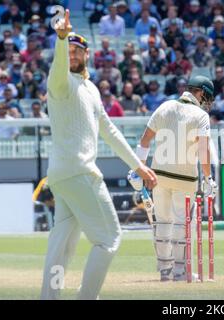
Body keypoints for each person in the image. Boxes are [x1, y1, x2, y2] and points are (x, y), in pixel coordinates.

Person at [40, 10, 157, 300]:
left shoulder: (91, 88)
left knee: (62, 244)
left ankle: (49, 297)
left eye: (77, 50)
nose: (71, 55)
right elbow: (58, 67)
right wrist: (61, 38)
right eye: (68, 51)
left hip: (63, 177)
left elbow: (110, 133)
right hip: (80, 173)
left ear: (86, 54)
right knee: (109, 239)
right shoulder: (60, 82)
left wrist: (138, 165)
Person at [137, 74, 218, 281]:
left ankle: (165, 271)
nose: (205, 101)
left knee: (162, 223)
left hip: (158, 176)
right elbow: (203, 150)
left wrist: (138, 167)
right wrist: (208, 178)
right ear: (199, 92)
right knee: (182, 224)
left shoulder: (164, 107)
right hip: (185, 178)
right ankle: (180, 271)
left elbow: (145, 140)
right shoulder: (200, 115)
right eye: (205, 96)